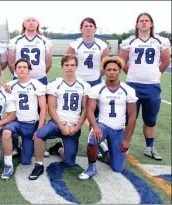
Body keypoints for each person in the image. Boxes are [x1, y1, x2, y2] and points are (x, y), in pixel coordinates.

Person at [28, 54, 90, 180]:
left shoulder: (84, 85)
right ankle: (39, 164)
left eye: (72, 65)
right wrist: (61, 126)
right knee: (40, 134)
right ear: (62, 66)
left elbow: (85, 110)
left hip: (73, 125)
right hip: (57, 123)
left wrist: (77, 127)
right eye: (67, 65)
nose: (69, 68)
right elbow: (51, 108)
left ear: (76, 67)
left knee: (70, 162)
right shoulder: (55, 84)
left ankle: (58, 148)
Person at [119, 12, 171, 160]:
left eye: (146, 20)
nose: (143, 23)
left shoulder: (160, 41)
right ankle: (124, 145)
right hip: (133, 85)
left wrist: (154, 73)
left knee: (150, 119)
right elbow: (122, 62)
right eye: (141, 21)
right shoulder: (129, 41)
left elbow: (166, 62)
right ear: (136, 24)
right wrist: (133, 74)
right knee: (129, 118)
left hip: (152, 86)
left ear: (151, 24)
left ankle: (149, 147)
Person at [79, 56, 137, 179]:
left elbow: (132, 116)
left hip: (118, 129)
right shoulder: (97, 88)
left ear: (119, 71)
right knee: (92, 139)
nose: (111, 72)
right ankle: (91, 167)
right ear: (104, 71)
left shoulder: (128, 90)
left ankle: (105, 150)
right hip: (103, 125)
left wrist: (127, 140)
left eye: (114, 70)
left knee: (117, 169)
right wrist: (95, 127)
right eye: (109, 69)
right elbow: (90, 109)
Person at [7, 16, 53, 156]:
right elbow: (10, 62)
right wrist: (20, 76)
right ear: (24, 24)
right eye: (28, 20)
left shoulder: (45, 40)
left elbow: (48, 62)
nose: (31, 22)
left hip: (40, 79)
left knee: (40, 112)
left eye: (34, 20)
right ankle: (14, 143)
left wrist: (38, 75)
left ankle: (39, 142)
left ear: (38, 23)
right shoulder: (16, 40)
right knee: (15, 110)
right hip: (19, 80)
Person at [66, 17, 110, 160]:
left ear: (95, 28)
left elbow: (106, 64)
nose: (88, 28)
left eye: (91, 26)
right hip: (78, 83)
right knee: (74, 112)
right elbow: (68, 63)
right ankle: (68, 138)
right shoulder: (75, 44)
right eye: (85, 26)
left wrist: (97, 75)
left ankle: (94, 143)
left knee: (94, 115)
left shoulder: (102, 45)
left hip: (95, 82)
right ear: (81, 29)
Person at [1, 58, 47, 180]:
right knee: (6, 132)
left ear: (29, 70)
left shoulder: (37, 85)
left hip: (32, 124)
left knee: (26, 161)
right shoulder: (10, 85)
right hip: (17, 123)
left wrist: (40, 128)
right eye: (19, 67)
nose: (21, 69)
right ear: (15, 70)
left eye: (24, 67)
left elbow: (43, 108)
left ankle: (20, 146)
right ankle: (8, 165)